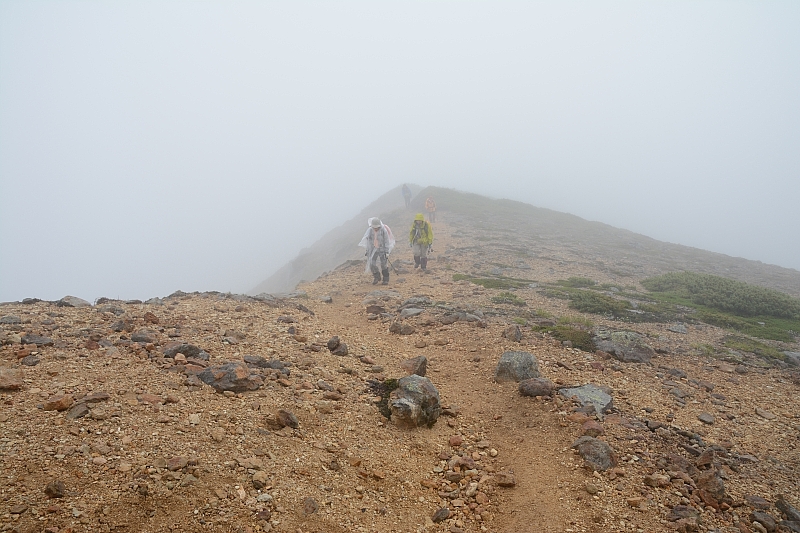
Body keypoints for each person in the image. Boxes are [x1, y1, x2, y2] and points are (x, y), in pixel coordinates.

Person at [358, 217, 396, 285]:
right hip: (373, 249)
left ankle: (386, 279)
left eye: (377, 227)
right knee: (372, 263)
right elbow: (369, 241)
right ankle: (376, 276)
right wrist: (367, 250)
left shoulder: (383, 230)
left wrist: (387, 251)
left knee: (384, 264)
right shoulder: (370, 230)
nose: (375, 228)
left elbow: (386, 241)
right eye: (374, 227)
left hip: (382, 249)